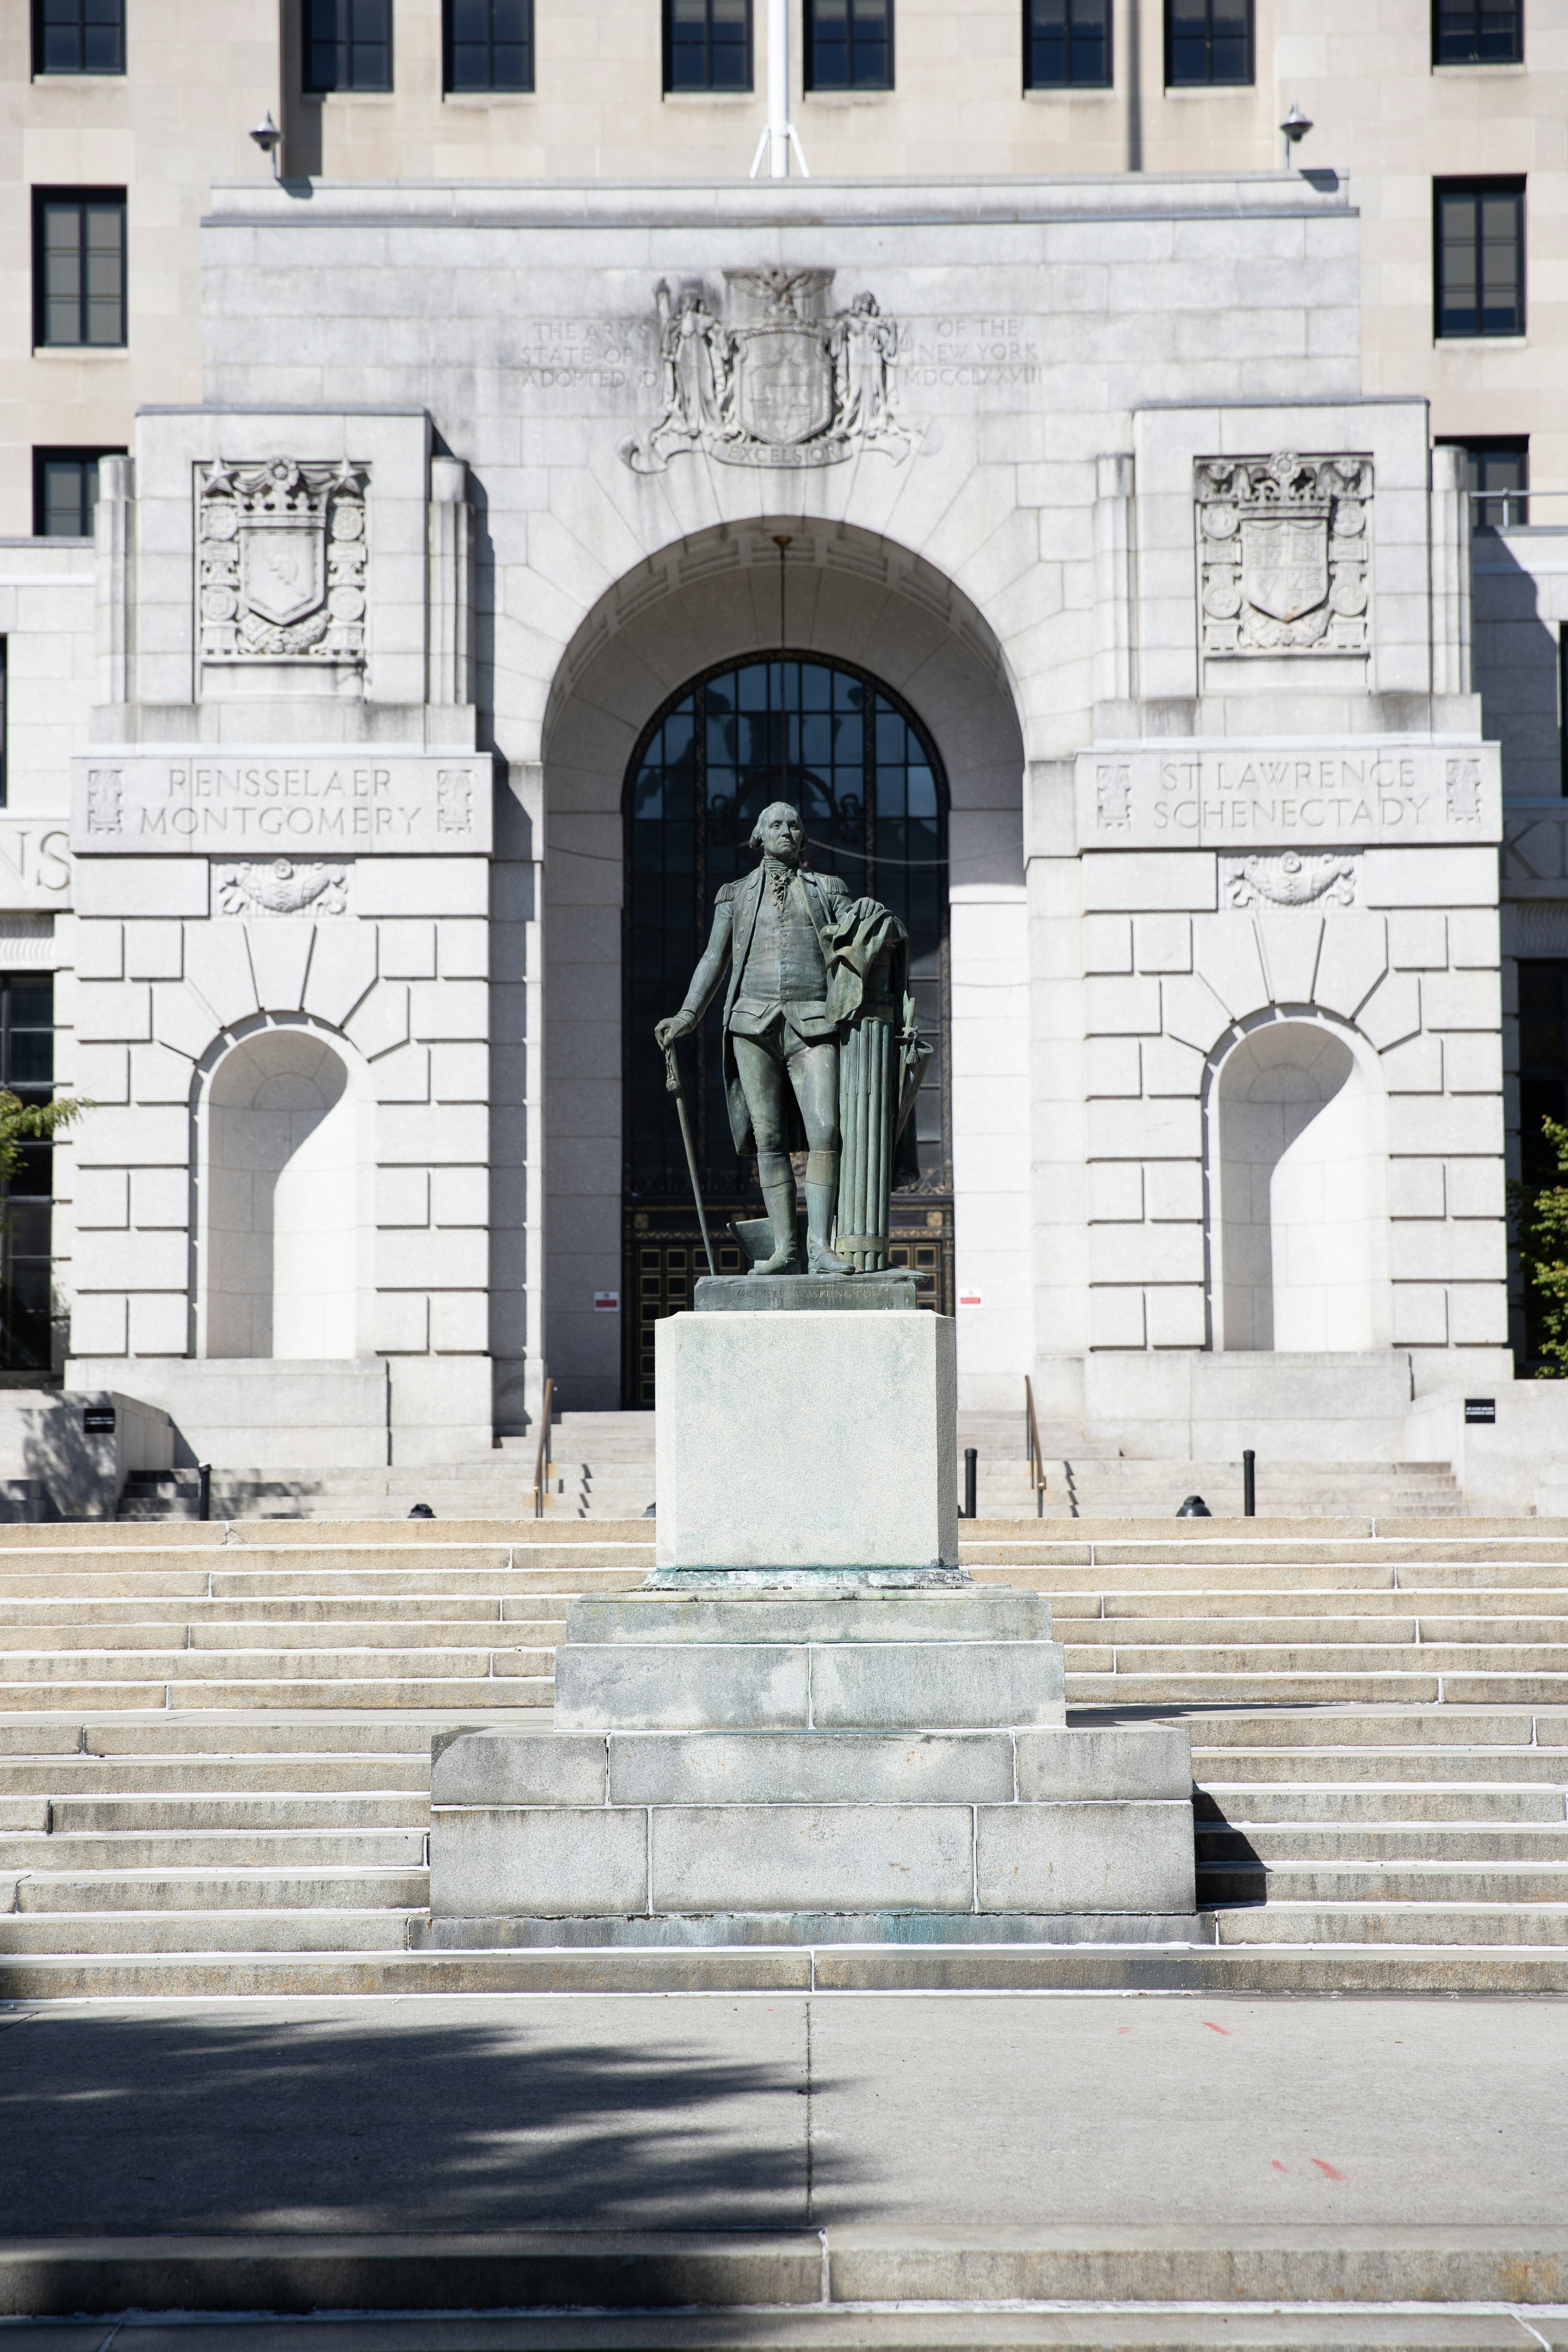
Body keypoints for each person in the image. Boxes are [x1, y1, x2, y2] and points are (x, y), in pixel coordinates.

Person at [655, 802, 851, 1276]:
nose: (786, 829)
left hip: (814, 1023)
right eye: (776, 824)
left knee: (825, 1131)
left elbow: (857, 942)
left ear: (803, 838)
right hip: (750, 1023)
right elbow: (712, 959)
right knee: (769, 1136)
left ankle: (820, 1246)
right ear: (758, 835)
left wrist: (869, 919)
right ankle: (786, 1248)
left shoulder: (829, 889)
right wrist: (688, 1014)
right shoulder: (735, 894)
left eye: (794, 824)